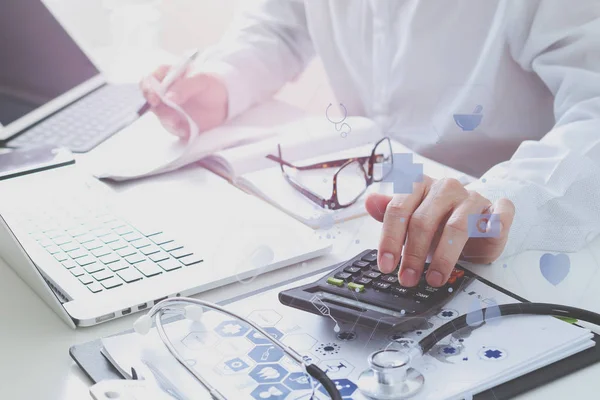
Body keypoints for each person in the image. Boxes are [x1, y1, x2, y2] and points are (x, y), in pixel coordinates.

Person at [141, 0, 600, 288]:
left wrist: (511, 201)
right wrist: (222, 81)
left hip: (506, 242)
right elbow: (278, 25)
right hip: (363, 210)